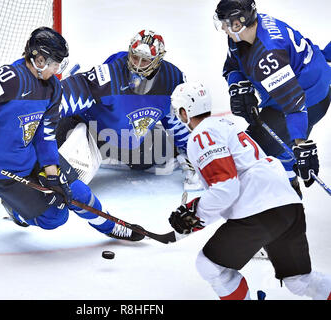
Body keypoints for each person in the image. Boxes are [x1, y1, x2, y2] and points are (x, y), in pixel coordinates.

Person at [0, 26, 144, 241]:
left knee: (76, 193)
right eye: (55, 63)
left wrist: (52, 174)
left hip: (32, 155)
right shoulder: (12, 79)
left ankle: (111, 226)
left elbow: (46, 134)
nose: (58, 69)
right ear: (39, 59)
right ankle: (16, 210)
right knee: (55, 218)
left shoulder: (53, 88)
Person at [168, 81, 331, 300]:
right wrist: (196, 212)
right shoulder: (227, 125)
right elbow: (231, 186)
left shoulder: (201, 135)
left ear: (184, 111)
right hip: (288, 205)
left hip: (259, 211)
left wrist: (196, 216)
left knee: (209, 265)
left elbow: (225, 188)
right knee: (300, 281)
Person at [56, 29, 203, 195]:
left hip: (126, 138)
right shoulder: (113, 73)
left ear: (157, 60)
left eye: (145, 60)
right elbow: (78, 88)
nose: (137, 65)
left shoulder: (172, 80)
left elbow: (176, 119)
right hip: (88, 127)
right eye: (134, 57)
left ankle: (111, 153)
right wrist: (47, 110)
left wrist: (193, 152)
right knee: (69, 172)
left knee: (162, 153)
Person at [214, 0, 331, 198]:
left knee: (247, 155)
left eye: (225, 23)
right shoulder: (241, 35)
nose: (223, 28)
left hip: (310, 98)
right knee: (271, 148)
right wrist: (238, 85)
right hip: (293, 88)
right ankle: (288, 184)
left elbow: (294, 107)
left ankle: (285, 195)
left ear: (238, 23)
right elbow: (232, 65)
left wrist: (302, 145)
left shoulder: (269, 54)